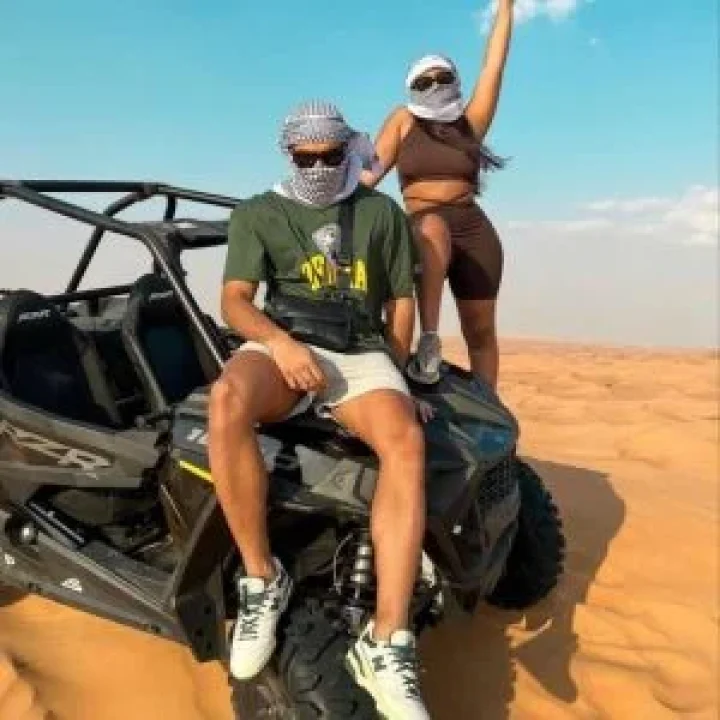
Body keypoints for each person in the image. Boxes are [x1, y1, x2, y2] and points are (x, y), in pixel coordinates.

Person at [209, 100, 432, 719]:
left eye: (330, 156)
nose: (317, 168)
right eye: (304, 158)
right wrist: (279, 344)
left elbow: (402, 301)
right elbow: (235, 300)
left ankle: (387, 639)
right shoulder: (259, 212)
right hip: (284, 344)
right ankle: (262, 579)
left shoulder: (380, 213)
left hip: (358, 353)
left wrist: (401, 376)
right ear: (288, 154)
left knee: (406, 441)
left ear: (347, 149)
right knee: (227, 400)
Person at [362, 0, 516, 389]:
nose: (434, 85)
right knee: (432, 227)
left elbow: (494, 65)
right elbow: (368, 175)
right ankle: (428, 339)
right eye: (423, 82)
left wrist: (506, 7)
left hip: (473, 228)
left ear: (455, 79)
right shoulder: (403, 120)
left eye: (442, 77)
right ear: (411, 88)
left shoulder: (471, 121)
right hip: (422, 225)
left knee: (481, 331)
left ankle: (488, 405)